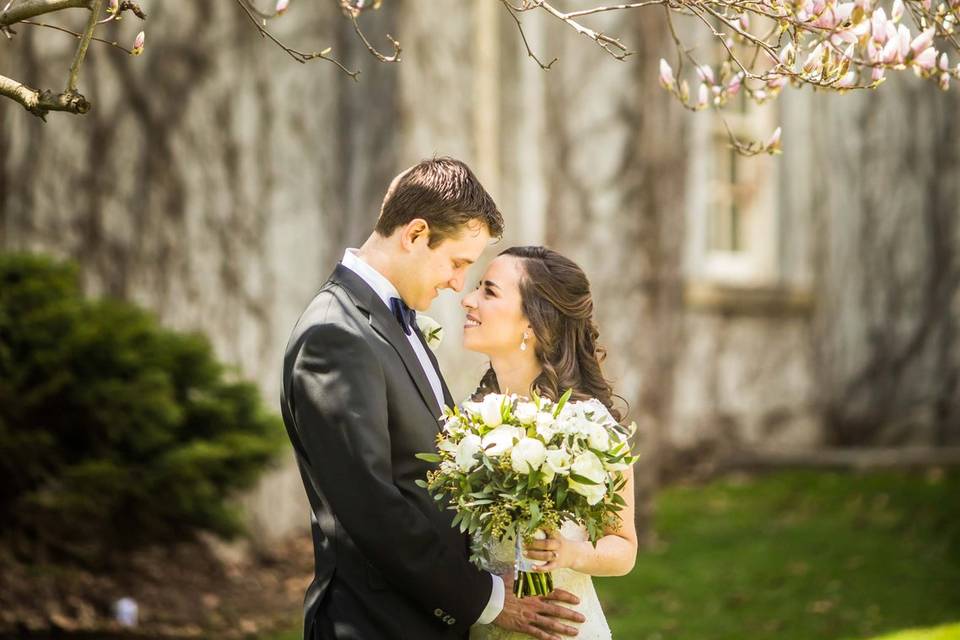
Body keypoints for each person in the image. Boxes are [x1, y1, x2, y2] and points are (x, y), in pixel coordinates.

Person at [280, 158, 585, 640]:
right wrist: (488, 600)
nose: (457, 285)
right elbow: (372, 506)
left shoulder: (391, 320)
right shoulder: (334, 335)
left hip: (424, 617)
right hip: (376, 625)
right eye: (458, 263)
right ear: (416, 233)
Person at [461, 246, 638, 640]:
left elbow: (624, 546)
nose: (467, 300)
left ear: (532, 323)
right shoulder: (463, 424)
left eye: (489, 291)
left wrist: (572, 553)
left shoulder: (590, 426)